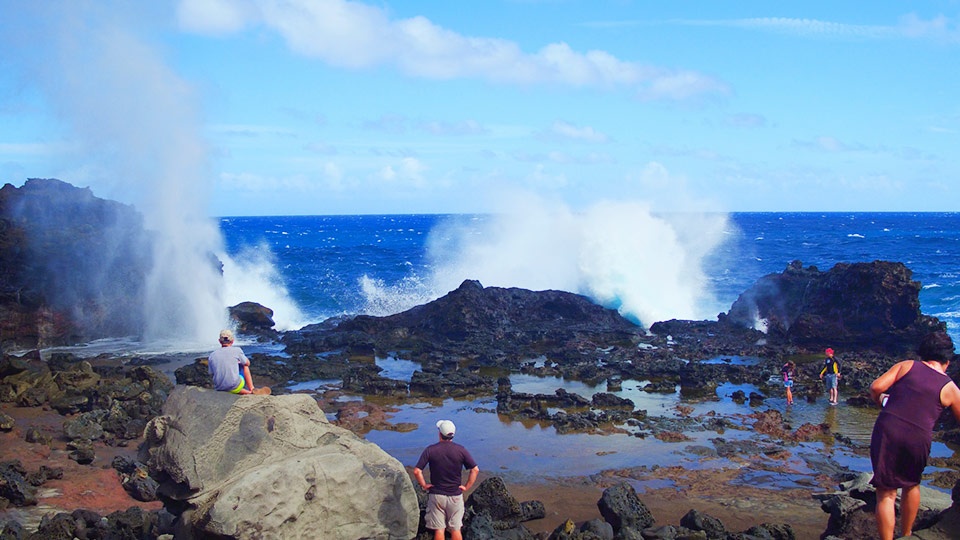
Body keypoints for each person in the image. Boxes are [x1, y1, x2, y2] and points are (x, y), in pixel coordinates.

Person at [868, 331, 960, 540]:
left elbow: (875, 387)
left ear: (923, 354)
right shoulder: (950, 388)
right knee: (912, 484)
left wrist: (882, 400)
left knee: (886, 493)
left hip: (888, 429)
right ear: (947, 361)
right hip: (918, 438)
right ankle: (907, 534)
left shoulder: (907, 366)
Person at [412, 420, 480, 540]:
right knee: (455, 529)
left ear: (440, 434)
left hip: (437, 495)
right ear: (453, 434)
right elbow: (475, 470)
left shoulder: (430, 450)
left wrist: (424, 484)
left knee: (439, 529)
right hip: (455, 496)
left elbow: (417, 471)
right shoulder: (461, 450)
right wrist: (467, 486)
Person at [208, 329, 259, 395]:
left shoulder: (212, 355)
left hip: (219, 387)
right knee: (244, 365)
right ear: (232, 341)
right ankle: (251, 389)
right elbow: (247, 363)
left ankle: (246, 392)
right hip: (235, 386)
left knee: (229, 385)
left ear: (219, 341)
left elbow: (211, 372)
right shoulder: (237, 350)